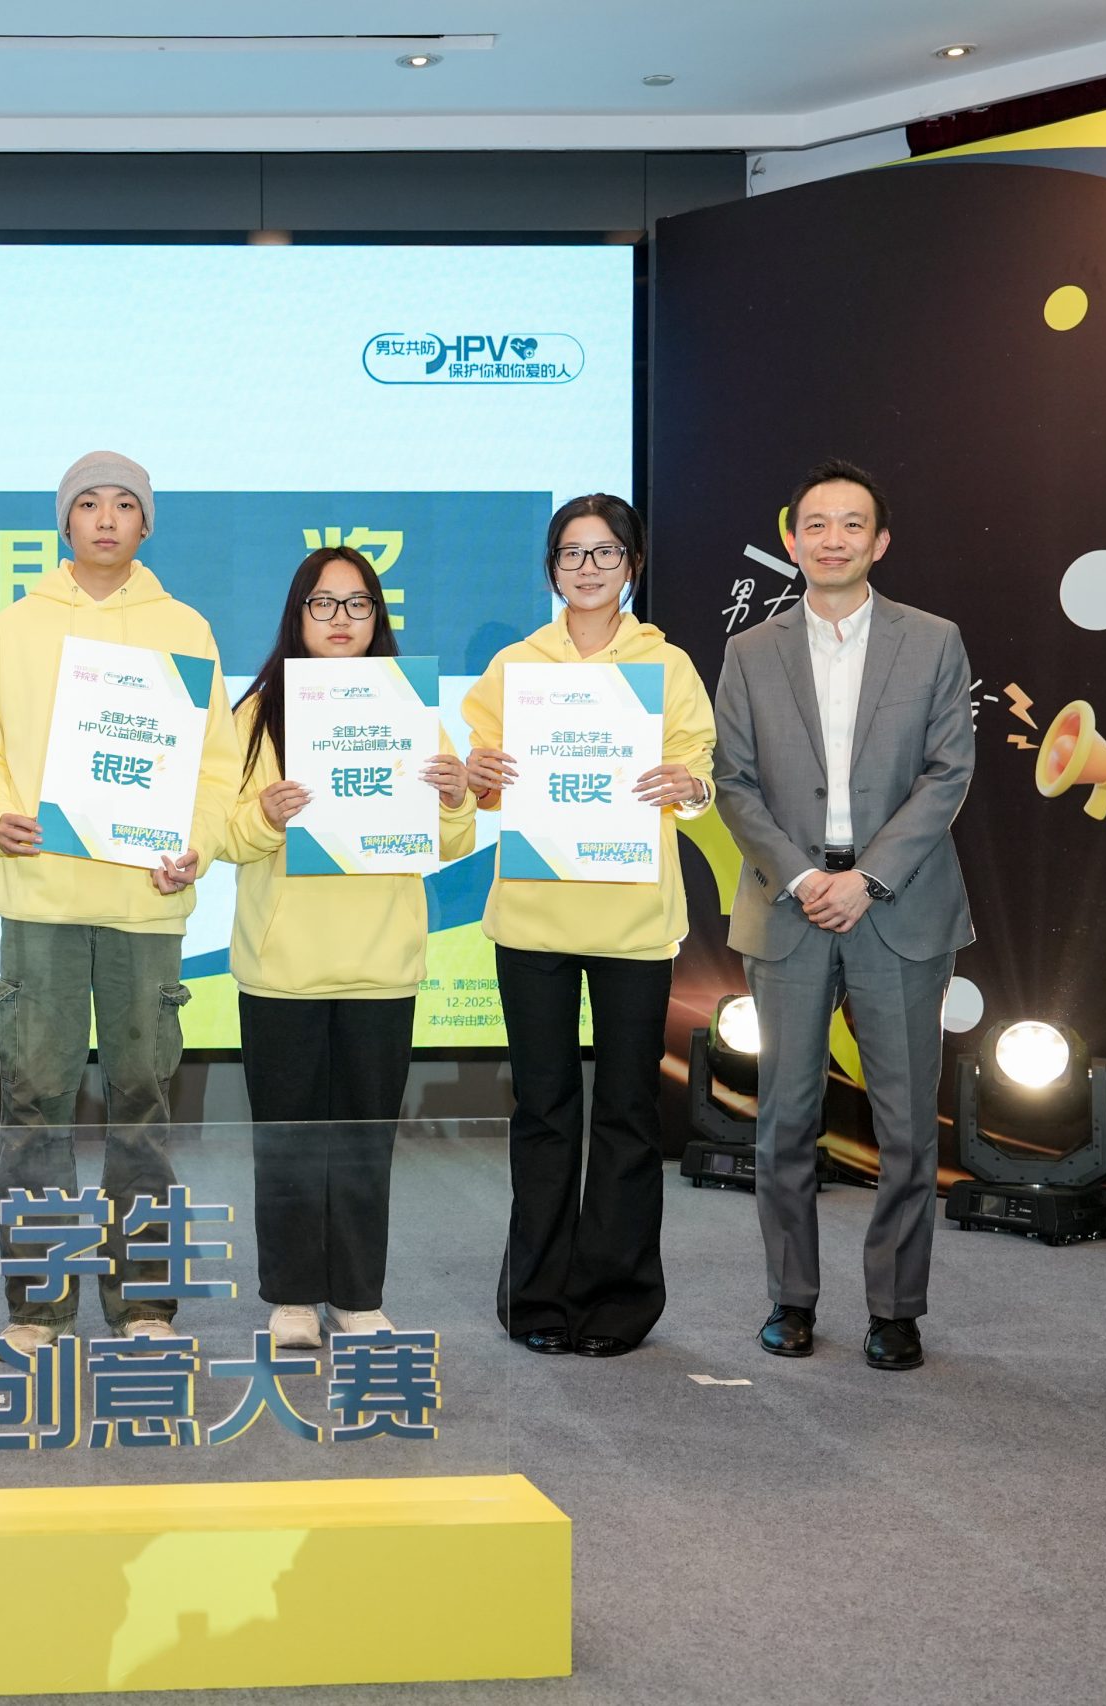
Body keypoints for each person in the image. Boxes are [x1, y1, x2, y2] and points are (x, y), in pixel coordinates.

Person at [0, 451, 242, 1353]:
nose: (106, 519)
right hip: (40, 898)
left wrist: (199, 844)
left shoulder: (185, 629)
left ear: (147, 524)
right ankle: (36, 1307)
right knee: (35, 1103)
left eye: (124, 505)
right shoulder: (14, 629)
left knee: (141, 1105)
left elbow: (217, 768)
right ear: (64, 521)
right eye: (87, 504)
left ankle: (144, 1304)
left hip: (144, 904)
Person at [711, 459, 973, 1372]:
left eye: (852, 524)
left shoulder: (932, 641)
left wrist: (869, 877)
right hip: (789, 906)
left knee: (906, 1127)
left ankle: (896, 1310)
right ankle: (790, 1299)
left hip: (898, 905)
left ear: (880, 541)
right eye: (815, 524)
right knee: (784, 1120)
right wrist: (800, 877)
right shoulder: (750, 652)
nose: (833, 539)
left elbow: (948, 773)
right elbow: (733, 782)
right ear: (792, 541)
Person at [462, 495, 714, 1358]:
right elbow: (480, 775)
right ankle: (536, 1296)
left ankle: (617, 1300)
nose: (588, 568)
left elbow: (700, 768)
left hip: (633, 919)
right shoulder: (516, 665)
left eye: (606, 553)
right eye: (572, 553)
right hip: (533, 917)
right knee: (543, 1108)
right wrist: (480, 771)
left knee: (628, 1110)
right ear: (552, 568)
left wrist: (690, 786)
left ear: (632, 566)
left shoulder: (665, 664)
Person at [225, 546, 474, 1348]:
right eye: (323, 603)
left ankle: (359, 1296)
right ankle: (292, 1295)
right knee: (288, 1140)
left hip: (380, 963)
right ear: (297, 614)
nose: (341, 619)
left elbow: (449, 839)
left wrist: (456, 799)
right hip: (283, 966)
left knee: (367, 1139)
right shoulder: (257, 714)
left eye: (358, 603)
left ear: (378, 616)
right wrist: (266, 815)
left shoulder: (409, 707)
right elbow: (223, 835)